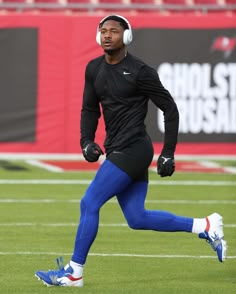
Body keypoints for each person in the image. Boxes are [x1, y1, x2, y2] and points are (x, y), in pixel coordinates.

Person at [35, 15, 227, 288]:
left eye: (114, 31)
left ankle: (74, 272)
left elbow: (170, 108)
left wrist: (168, 152)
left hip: (134, 148)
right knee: (137, 218)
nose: (107, 35)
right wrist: (86, 141)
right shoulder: (93, 69)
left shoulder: (140, 71)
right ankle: (204, 226)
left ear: (126, 37)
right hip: (119, 148)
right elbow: (89, 109)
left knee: (89, 203)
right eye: (103, 31)